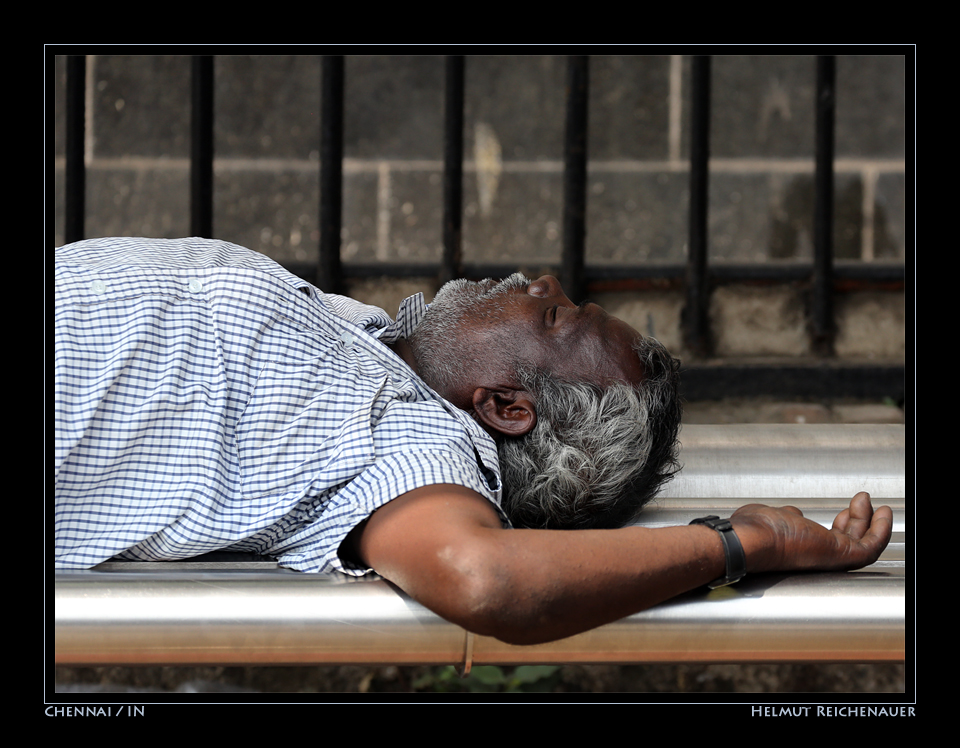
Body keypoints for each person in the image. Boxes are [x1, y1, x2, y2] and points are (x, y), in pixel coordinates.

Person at [54, 236, 893, 646]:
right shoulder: (373, 349)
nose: (541, 280)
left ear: (506, 407)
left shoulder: (410, 445)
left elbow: (486, 579)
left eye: (554, 315)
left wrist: (741, 544)